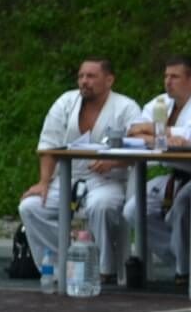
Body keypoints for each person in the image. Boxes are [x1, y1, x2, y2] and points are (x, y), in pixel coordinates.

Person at [19, 58, 141, 289]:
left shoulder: (126, 107)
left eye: (91, 76)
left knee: (101, 206)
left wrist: (114, 161)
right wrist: (44, 181)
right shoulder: (65, 102)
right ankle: (64, 263)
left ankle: (104, 269)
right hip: (68, 177)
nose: (84, 81)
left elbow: (140, 147)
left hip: (108, 180)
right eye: (81, 76)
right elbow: (48, 144)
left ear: (109, 80)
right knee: (31, 207)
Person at [122, 53, 191, 288]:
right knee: (133, 210)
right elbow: (132, 131)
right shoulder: (161, 102)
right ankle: (186, 258)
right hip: (172, 176)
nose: (168, 82)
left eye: (175, 77)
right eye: (166, 76)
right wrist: (160, 134)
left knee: (183, 206)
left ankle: (186, 270)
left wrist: (151, 131)